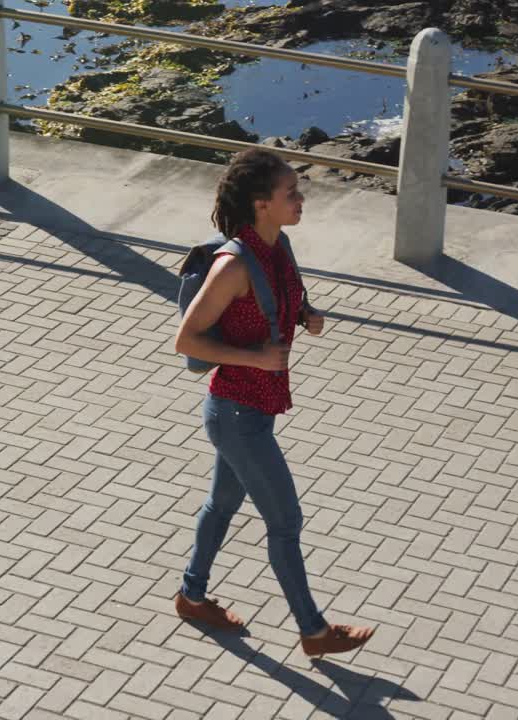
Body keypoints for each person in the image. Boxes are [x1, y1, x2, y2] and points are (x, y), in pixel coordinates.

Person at [173, 148, 375, 658]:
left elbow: (279, 296)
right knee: (285, 523)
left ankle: (192, 596)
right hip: (237, 414)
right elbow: (187, 341)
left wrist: (305, 313)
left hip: (251, 412)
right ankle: (313, 631)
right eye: (292, 193)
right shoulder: (232, 265)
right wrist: (256, 359)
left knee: (221, 504)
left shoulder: (277, 245)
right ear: (263, 204)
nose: (301, 198)